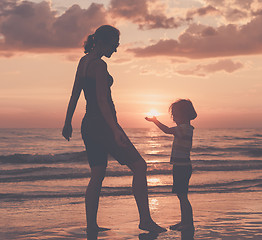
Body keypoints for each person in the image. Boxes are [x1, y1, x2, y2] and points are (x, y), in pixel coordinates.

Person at [62, 25, 166, 233]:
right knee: (140, 166)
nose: (116, 50)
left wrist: (67, 122)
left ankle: (91, 225)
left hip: (88, 124)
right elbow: (102, 100)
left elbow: (74, 95)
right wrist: (115, 129)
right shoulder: (99, 65)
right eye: (115, 45)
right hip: (103, 123)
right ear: (102, 42)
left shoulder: (83, 62)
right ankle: (145, 220)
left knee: (97, 174)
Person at [145, 99, 197, 231]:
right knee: (181, 195)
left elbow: (167, 130)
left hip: (182, 167)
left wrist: (155, 121)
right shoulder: (185, 128)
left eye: (175, 115)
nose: (173, 118)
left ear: (184, 115)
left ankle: (188, 223)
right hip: (181, 166)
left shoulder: (184, 129)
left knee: (183, 196)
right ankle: (185, 222)